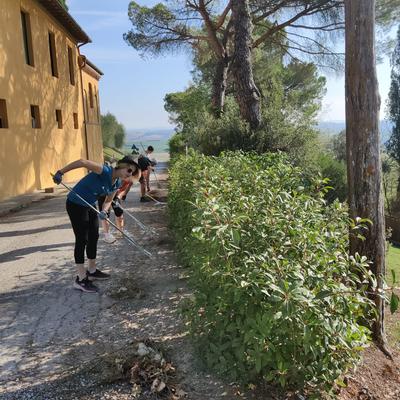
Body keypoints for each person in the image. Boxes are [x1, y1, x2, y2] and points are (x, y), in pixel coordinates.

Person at [52, 156, 138, 293]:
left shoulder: (116, 183)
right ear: (121, 166)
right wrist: (60, 172)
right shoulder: (104, 171)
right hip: (75, 204)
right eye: (129, 170)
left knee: (94, 236)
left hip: (90, 205)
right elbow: (82, 162)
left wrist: (104, 210)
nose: (129, 174)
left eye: (131, 173)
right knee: (82, 239)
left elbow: (108, 200)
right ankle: (80, 279)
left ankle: (91, 270)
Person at [98, 165, 140, 243]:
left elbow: (123, 191)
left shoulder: (129, 181)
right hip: (104, 193)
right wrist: (110, 197)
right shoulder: (119, 175)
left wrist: (119, 196)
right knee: (105, 214)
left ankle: (121, 232)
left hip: (115, 194)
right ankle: (107, 235)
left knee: (119, 212)